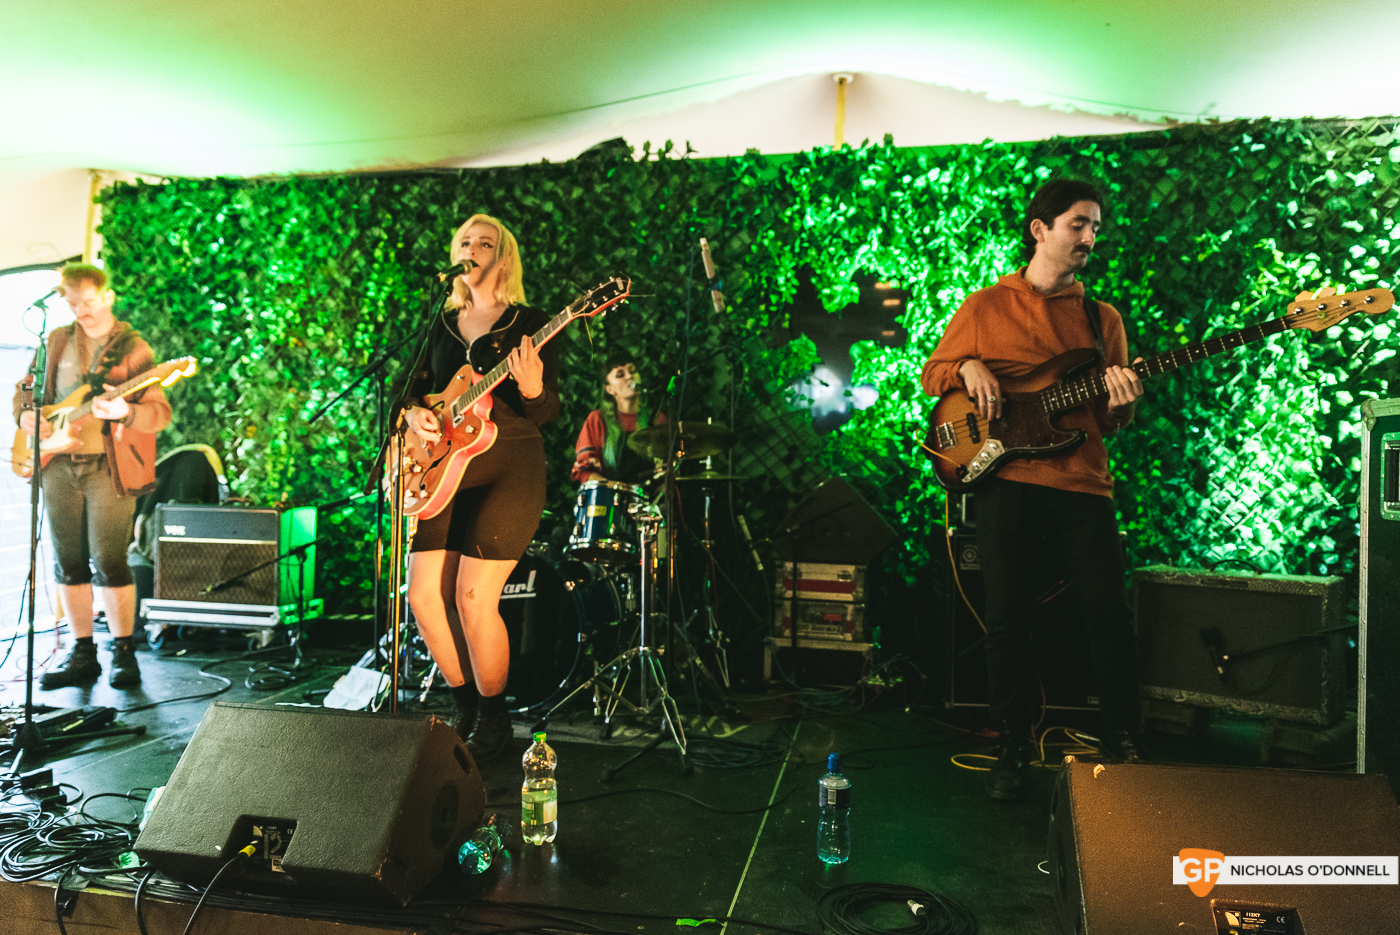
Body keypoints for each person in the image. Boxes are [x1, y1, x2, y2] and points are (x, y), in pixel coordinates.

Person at [920, 178, 1146, 802]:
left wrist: (1122, 402)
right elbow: (933, 375)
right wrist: (966, 365)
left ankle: (1122, 739)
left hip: (1083, 483)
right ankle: (1013, 747)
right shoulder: (984, 307)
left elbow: (1110, 420)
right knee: (1006, 618)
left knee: (1108, 614)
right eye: (1078, 224)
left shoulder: (1102, 321)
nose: (1090, 236)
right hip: (1009, 478)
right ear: (1040, 229)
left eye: (1095, 226)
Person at [401, 213, 559, 762]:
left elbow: (548, 410)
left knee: (473, 598)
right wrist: (413, 413)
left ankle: (495, 719)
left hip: (510, 466)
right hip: (445, 469)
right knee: (424, 597)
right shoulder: (441, 323)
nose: (472, 248)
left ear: (503, 257)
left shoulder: (529, 322)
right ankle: (465, 703)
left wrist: (533, 387)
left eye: (484, 242)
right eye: (464, 241)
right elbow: (409, 389)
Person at [13, 263, 172, 688]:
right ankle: (82, 653)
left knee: (108, 559)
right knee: (67, 561)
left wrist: (125, 410)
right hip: (57, 464)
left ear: (108, 296)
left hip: (109, 468)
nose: (81, 310)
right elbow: (25, 390)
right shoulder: (56, 341)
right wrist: (25, 415)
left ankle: (124, 652)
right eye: (72, 303)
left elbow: (159, 413)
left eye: (88, 301)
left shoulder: (134, 349)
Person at [571, 356, 663, 486]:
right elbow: (585, 470)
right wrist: (616, 487)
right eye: (620, 375)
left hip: (648, 496)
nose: (629, 376)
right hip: (609, 495)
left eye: (632, 371)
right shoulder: (597, 419)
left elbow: (667, 467)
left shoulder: (657, 419)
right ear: (609, 389)